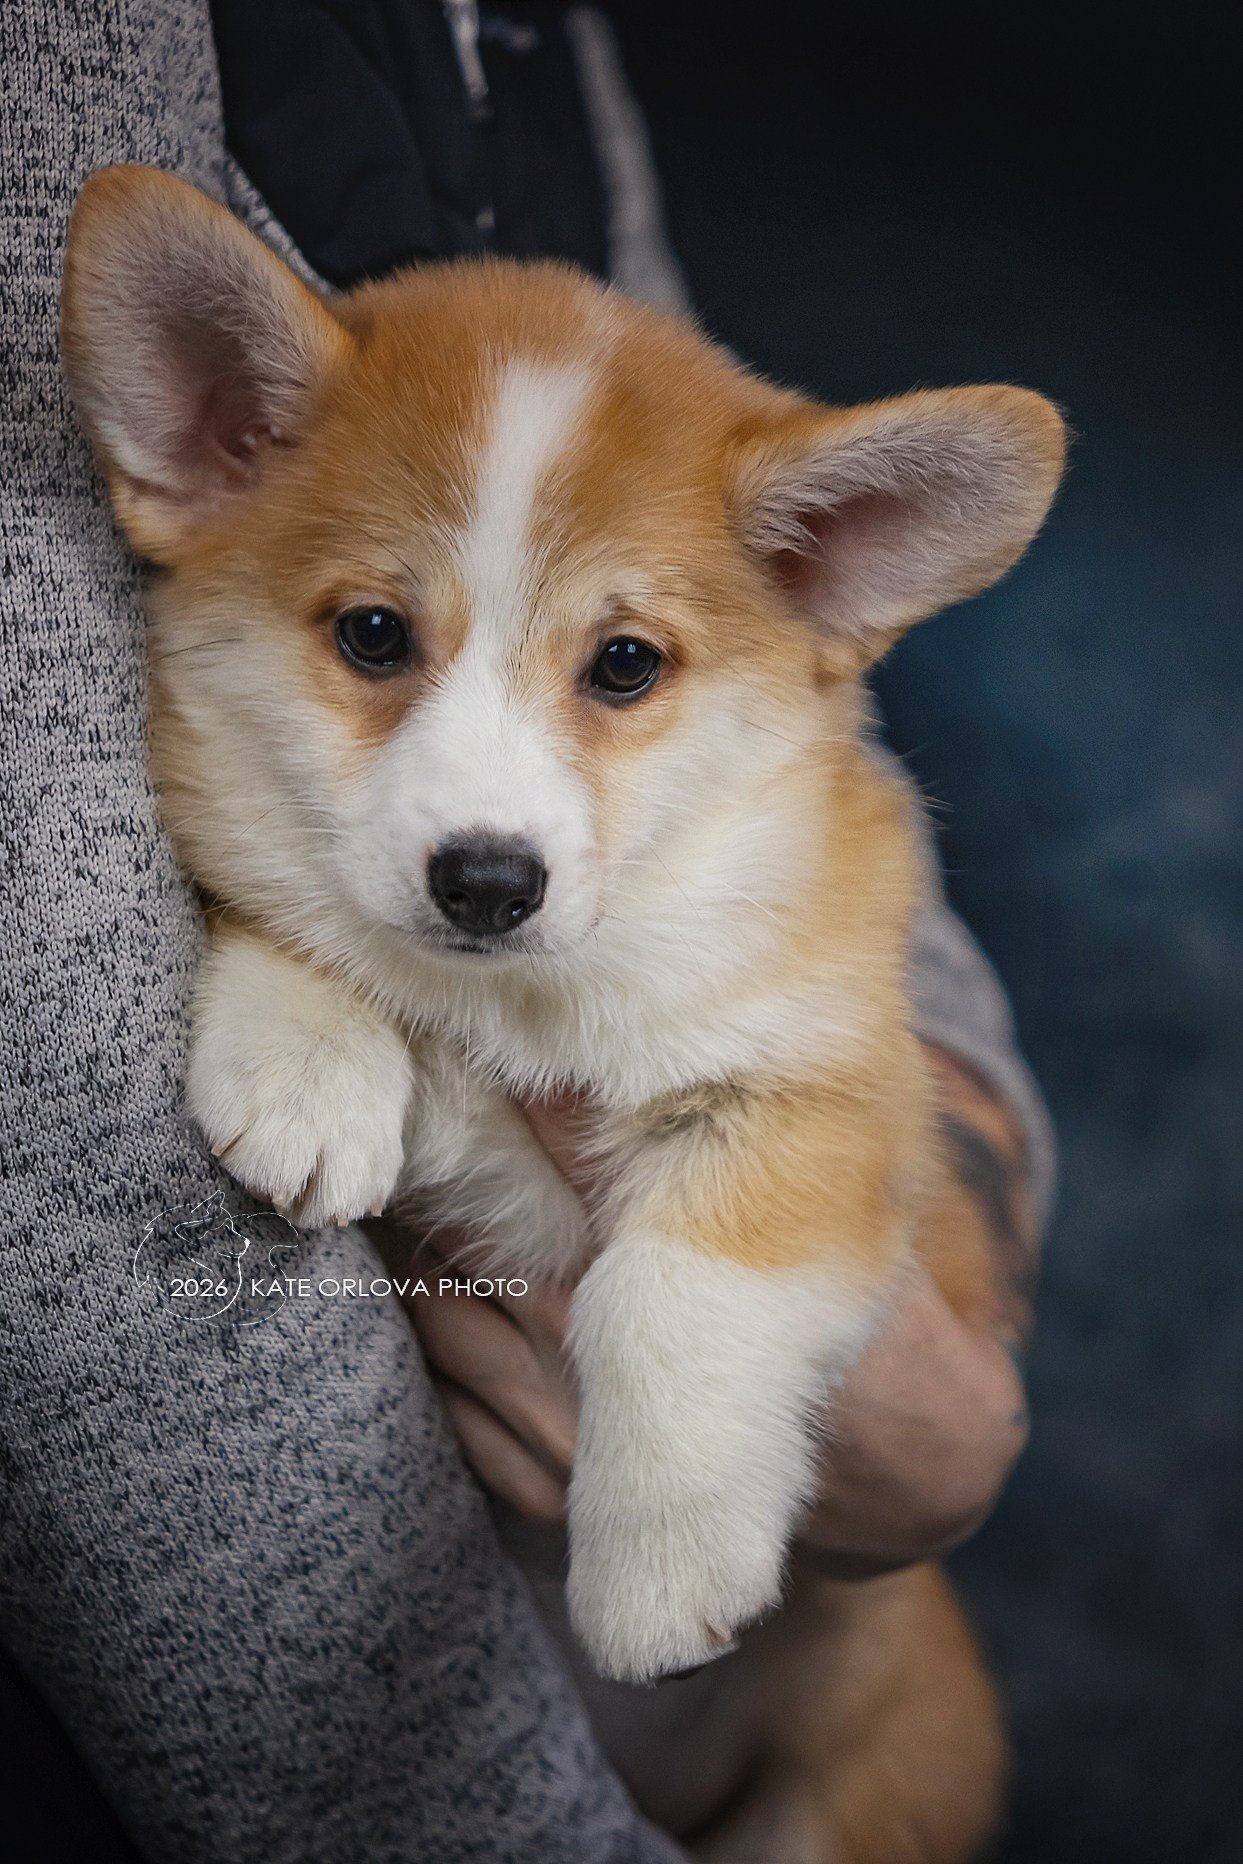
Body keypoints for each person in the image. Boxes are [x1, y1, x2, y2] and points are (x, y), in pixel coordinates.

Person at [0, 3, 1049, 1858]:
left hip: (809, 1716)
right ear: (207, 442)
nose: (490, 810)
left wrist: (935, 1248)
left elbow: (822, 1116)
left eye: (619, 666)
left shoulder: (547, 52)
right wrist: (287, 980)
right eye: (379, 636)